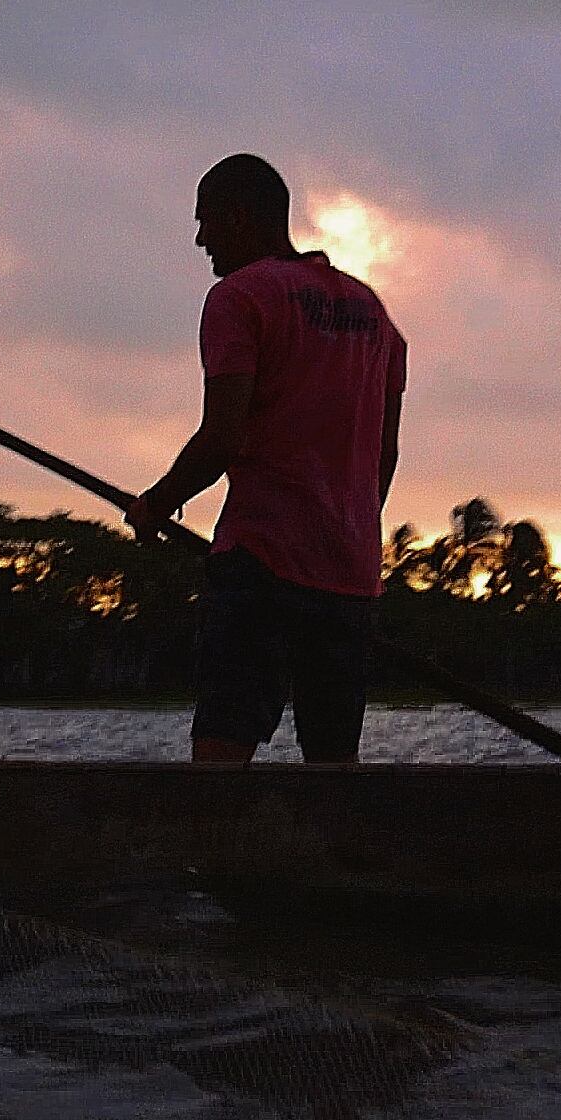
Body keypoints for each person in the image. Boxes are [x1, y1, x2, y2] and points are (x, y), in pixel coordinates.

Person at [124, 155, 406, 764]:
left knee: (222, 755)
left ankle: (216, 860)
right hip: (350, 576)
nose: (200, 239)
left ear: (240, 216)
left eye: (206, 223)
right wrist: (347, 530)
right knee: (334, 763)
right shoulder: (374, 315)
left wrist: (156, 505)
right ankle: (333, 859)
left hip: (262, 565)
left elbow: (221, 436)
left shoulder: (238, 299)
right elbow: (385, 453)